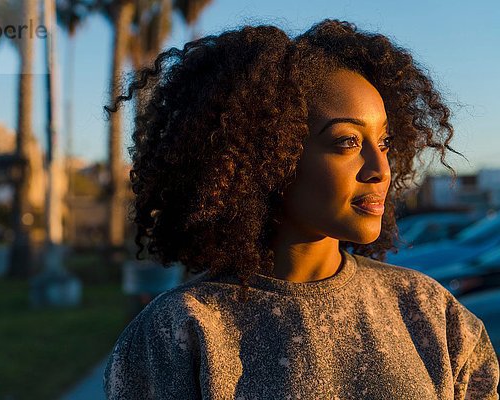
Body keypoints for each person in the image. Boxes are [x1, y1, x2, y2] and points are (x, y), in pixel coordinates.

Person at [103, 20, 500, 399]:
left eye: (383, 143)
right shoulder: (181, 331)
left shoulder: (431, 313)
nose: (380, 170)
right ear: (268, 156)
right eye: (346, 142)